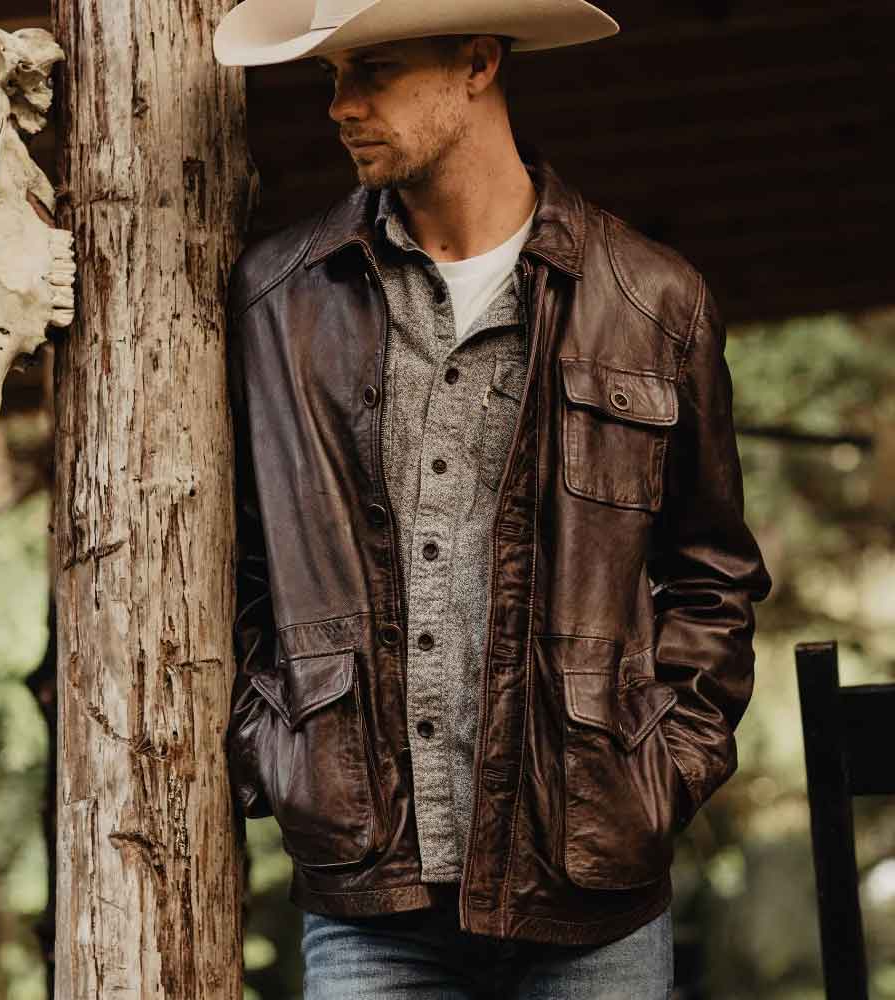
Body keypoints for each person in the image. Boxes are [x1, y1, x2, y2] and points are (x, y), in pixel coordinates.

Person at [214, 2, 773, 997]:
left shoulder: (652, 300)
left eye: (373, 71)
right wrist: (280, 753)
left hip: (594, 888)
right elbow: (238, 565)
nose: (340, 106)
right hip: (367, 896)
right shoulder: (276, 301)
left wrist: (661, 775)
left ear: (476, 62)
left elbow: (712, 574)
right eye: (331, 78)